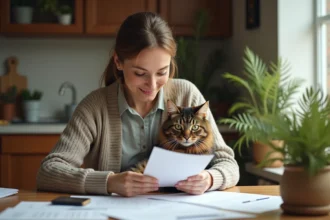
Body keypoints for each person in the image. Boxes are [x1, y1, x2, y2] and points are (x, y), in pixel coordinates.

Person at [37, 12, 239, 197]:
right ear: (118, 61)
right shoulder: (94, 107)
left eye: (162, 72)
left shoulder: (187, 95)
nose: (152, 85)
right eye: (140, 73)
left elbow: (228, 164)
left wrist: (210, 178)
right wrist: (109, 182)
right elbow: (48, 171)